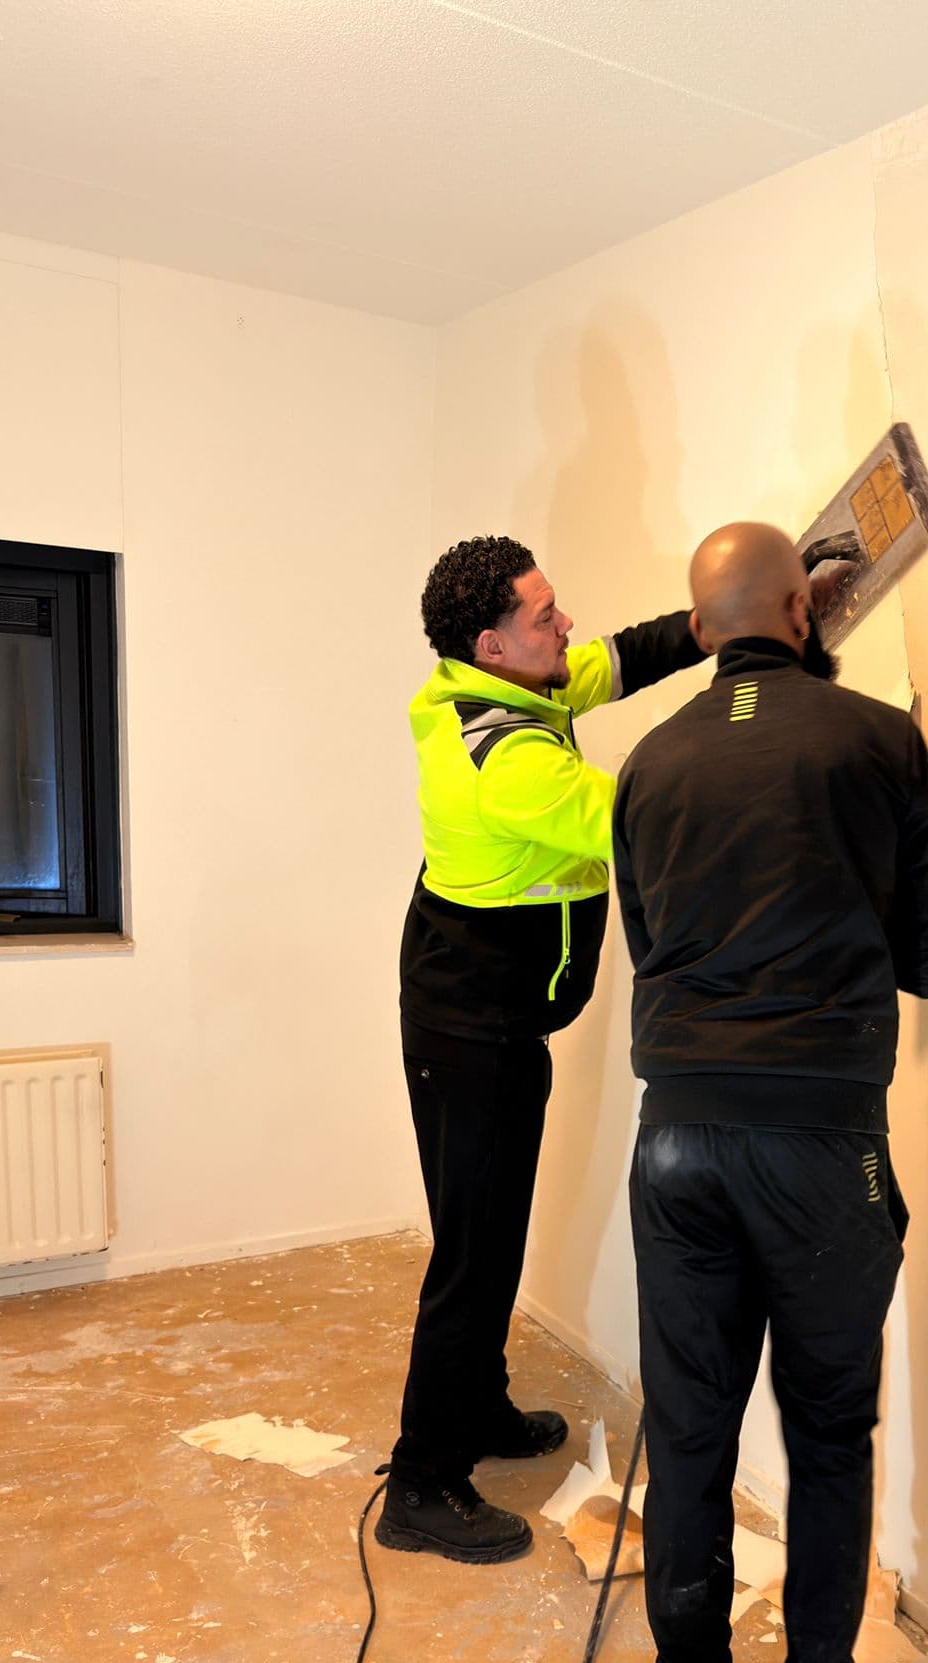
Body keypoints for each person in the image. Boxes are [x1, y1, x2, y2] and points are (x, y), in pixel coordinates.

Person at [611, 521, 928, 1663]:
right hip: (826, 1147)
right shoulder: (881, 743)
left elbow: (649, 939)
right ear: (804, 614)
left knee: (689, 1430)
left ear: (700, 630)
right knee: (828, 1431)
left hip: (679, 1140)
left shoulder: (648, 764)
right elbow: (925, 961)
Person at [380, 536, 706, 1567]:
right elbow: (639, 823)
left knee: (488, 1238)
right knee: (474, 1256)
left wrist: (706, 630)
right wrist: (748, 758)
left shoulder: (511, 683)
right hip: (469, 1031)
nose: (566, 626)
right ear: (492, 644)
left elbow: (609, 662)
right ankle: (424, 1482)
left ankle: (476, 1405)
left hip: (487, 1020)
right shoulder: (506, 759)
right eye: (544, 615)